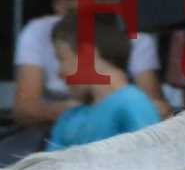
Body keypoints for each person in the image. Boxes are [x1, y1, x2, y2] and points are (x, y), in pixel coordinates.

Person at [7, 0, 166, 159]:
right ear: (60, 4)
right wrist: (90, 107)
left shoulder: (130, 100)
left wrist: (106, 102)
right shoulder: (71, 119)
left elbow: (151, 146)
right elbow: (25, 110)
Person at [45, 12, 161, 151]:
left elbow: (150, 161)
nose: (59, 73)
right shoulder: (69, 117)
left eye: (61, 58)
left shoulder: (132, 103)